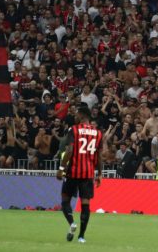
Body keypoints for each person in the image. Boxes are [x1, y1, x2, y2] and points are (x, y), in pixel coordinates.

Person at [58, 104, 104, 244]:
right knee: (85, 205)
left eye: (77, 114)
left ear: (82, 115)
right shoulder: (98, 133)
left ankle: (72, 223)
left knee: (65, 200)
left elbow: (70, 150)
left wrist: (61, 168)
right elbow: (99, 155)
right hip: (88, 173)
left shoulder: (74, 130)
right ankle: (81, 237)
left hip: (73, 171)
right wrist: (100, 174)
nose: (75, 116)